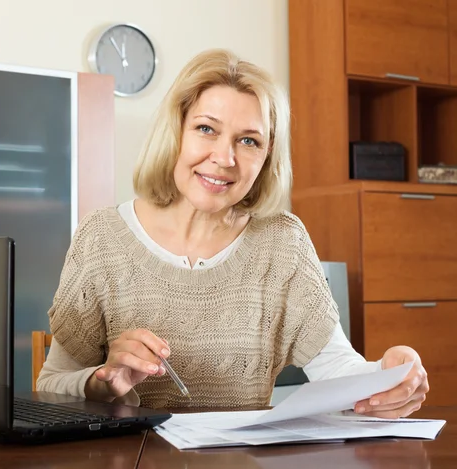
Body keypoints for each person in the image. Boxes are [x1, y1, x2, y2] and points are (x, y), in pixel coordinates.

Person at [37, 49, 429, 418]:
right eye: (206, 129)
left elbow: (338, 369)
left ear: (266, 154)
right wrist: (102, 381)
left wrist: (389, 375)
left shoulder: (283, 242)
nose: (224, 159)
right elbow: (51, 385)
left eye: (248, 141)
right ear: (176, 131)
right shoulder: (101, 236)